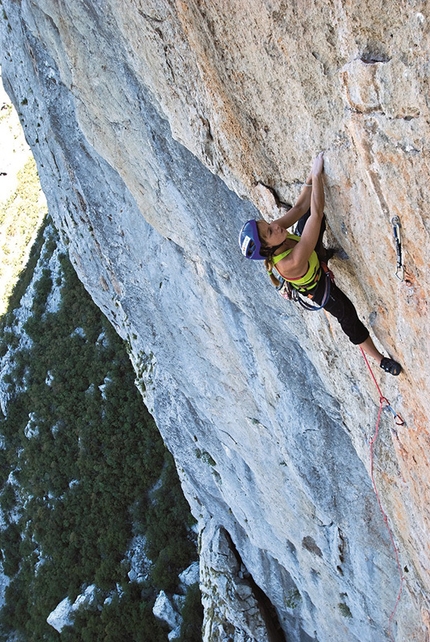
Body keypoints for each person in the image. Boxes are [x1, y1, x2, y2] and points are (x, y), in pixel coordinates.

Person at [238, 152, 402, 376]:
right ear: (267, 249)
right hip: (317, 286)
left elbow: (298, 210)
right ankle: (380, 359)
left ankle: (322, 254)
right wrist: (317, 176)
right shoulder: (288, 263)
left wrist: (309, 179)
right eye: (269, 230)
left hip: (311, 255)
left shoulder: (275, 234)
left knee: (306, 223)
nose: (275, 226)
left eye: (268, 224)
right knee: (347, 315)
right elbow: (315, 214)